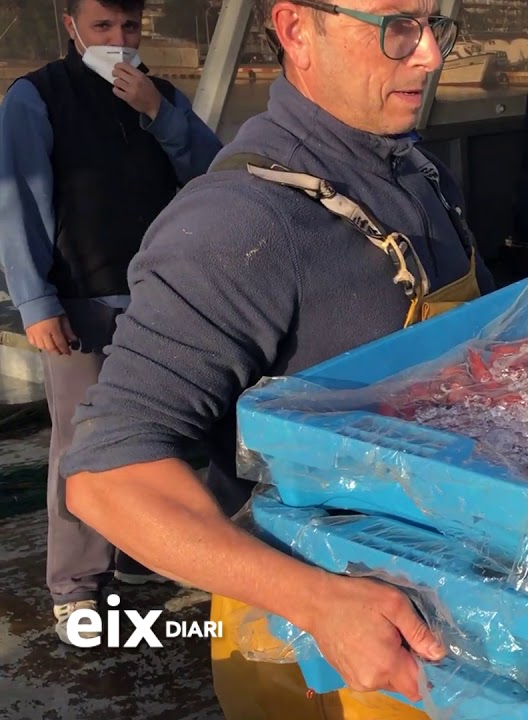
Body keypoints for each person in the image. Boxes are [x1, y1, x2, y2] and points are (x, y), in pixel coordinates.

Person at [58, 0, 494, 714]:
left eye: (432, 25)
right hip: (321, 655)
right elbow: (107, 476)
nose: (430, 55)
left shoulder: (421, 175)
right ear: (297, 31)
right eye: (396, 27)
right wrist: (318, 602)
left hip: (451, 601)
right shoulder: (239, 222)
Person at [0, 0, 223, 645]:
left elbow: (215, 177)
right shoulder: (36, 98)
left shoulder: (162, 97)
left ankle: (141, 552)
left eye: (129, 27)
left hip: (159, 299)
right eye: (102, 27)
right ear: (71, 26)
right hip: (81, 302)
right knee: (79, 443)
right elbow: (17, 205)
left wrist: (160, 114)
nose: (118, 39)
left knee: (155, 434)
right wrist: (36, 303)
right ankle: (75, 582)